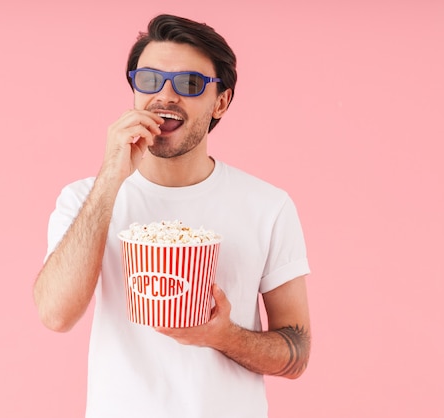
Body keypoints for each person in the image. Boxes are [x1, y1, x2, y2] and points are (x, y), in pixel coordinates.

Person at [34, 14, 311, 418]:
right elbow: (55, 315)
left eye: (189, 84)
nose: (166, 96)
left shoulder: (267, 206)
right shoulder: (84, 198)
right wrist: (112, 179)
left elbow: (297, 351)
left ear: (221, 101)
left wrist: (223, 336)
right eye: (149, 80)